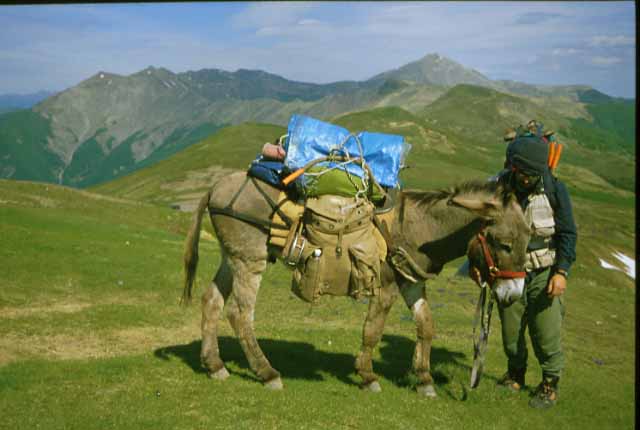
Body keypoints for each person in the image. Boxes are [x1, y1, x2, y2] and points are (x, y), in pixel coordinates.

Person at [494, 122, 577, 409]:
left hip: (545, 272)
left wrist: (562, 272)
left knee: (546, 333)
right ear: (514, 169)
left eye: (533, 175)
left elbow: (568, 233)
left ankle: (549, 384)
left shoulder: (555, 189)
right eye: (524, 174)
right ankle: (515, 374)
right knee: (510, 332)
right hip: (509, 271)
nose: (528, 179)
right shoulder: (500, 187)